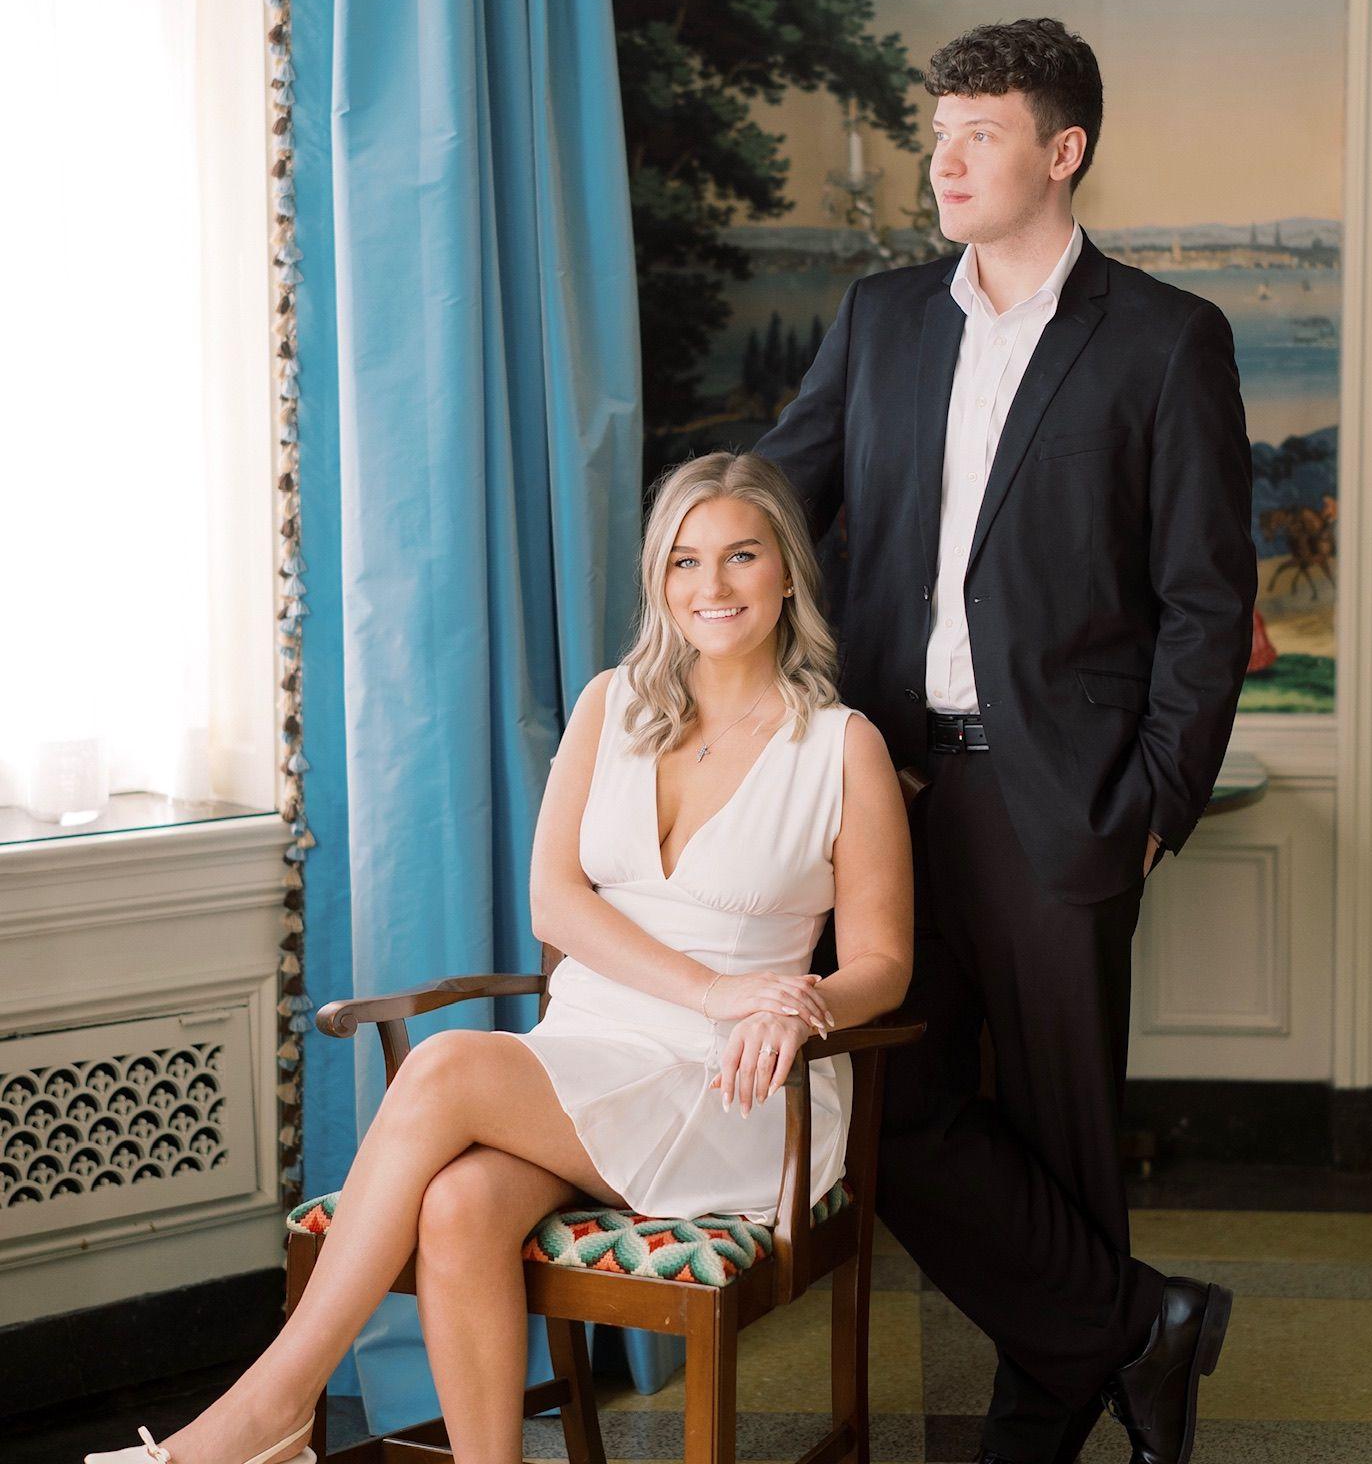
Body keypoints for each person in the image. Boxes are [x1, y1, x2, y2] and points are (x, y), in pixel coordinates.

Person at [85, 451, 913, 1464]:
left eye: (742, 555)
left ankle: (267, 1414)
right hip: (589, 1056)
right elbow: (554, 901)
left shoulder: (842, 746)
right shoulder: (611, 705)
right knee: (460, 1204)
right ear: (659, 577)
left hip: (734, 1088)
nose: (712, 584)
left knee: (443, 1068)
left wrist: (795, 1005)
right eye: (684, 560)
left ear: (788, 573)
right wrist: (713, 986)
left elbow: (884, 961)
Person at [754, 17, 1255, 1464]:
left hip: (1067, 803)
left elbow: (1206, 602)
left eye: (980, 135)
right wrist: (690, 579)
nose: (946, 162)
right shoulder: (881, 318)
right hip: (890, 795)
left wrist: (1151, 805)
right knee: (886, 1112)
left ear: (1063, 150)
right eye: (939, 135)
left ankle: (1038, 1434)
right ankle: (1142, 1327)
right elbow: (772, 506)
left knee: (1061, 1135)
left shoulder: (1165, 338)